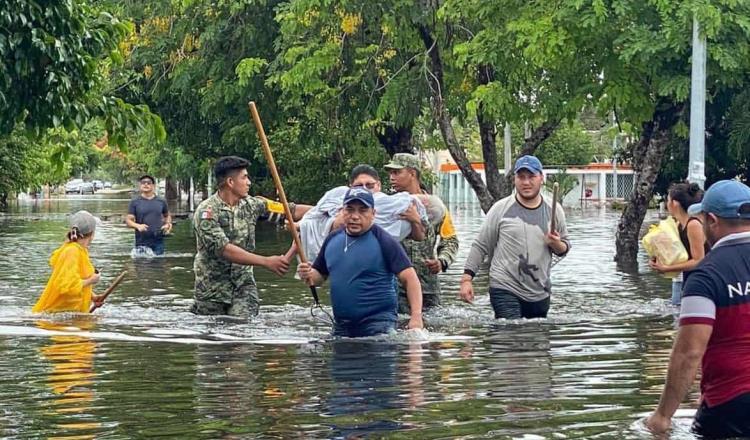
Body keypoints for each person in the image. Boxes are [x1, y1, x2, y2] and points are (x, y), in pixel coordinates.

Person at [645, 179, 750, 438]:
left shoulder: (707, 275)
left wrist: (662, 416)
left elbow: (689, 353)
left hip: (731, 404)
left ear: (712, 220)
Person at [191, 156, 311, 317]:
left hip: (244, 286)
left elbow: (290, 211)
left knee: (243, 331)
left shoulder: (253, 205)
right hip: (211, 290)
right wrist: (266, 262)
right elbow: (224, 249)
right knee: (213, 336)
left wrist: (329, 210)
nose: (249, 182)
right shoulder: (206, 212)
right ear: (230, 182)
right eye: (244, 177)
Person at [297, 187, 424, 337]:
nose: (355, 216)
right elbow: (319, 277)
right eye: (350, 210)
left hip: (378, 328)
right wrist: (308, 273)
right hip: (341, 327)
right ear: (341, 211)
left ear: (373, 214)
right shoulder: (332, 239)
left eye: (362, 210)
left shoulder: (384, 240)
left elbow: (410, 278)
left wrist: (416, 317)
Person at [459, 155, 570, 319]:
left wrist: (556, 243)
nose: (526, 182)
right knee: (510, 335)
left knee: (536, 340)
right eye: (521, 177)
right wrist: (467, 280)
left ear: (541, 178)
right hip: (504, 286)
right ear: (514, 180)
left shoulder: (554, 210)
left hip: (540, 291)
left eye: (531, 176)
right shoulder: (500, 209)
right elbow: (480, 245)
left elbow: (564, 248)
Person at [384, 153, 459, 313]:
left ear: (412, 173)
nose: (391, 177)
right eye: (390, 173)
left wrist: (442, 261)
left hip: (428, 288)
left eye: (396, 172)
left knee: (432, 333)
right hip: (397, 286)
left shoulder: (435, 207)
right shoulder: (388, 206)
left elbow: (450, 240)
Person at [649, 182, 710, 305]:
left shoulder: (694, 224)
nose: (666, 204)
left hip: (700, 280)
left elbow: (699, 260)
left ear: (675, 203)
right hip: (684, 278)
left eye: (668, 200)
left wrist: (667, 268)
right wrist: (658, 259)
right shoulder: (677, 224)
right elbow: (678, 254)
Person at [32, 211, 104, 313]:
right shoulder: (72, 251)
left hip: (69, 313)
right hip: (55, 315)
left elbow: (75, 279)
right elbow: (67, 286)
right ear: (92, 234)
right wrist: (91, 280)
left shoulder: (81, 250)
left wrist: (93, 297)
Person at [125, 174, 172, 255]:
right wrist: (138, 226)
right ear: (140, 185)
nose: (146, 184)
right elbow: (128, 220)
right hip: (141, 242)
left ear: (153, 186)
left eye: (149, 183)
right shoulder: (135, 202)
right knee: (141, 265)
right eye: (143, 182)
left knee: (159, 265)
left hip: (158, 240)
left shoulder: (161, 201)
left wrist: (167, 224)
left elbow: (167, 215)